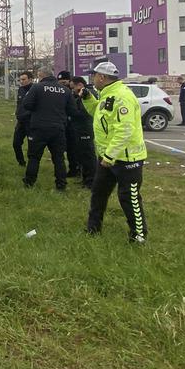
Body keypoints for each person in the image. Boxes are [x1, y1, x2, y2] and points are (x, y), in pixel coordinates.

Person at [81, 61, 149, 243]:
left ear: (102, 77)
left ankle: (139, 235)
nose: (92, 78)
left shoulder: (122, 96)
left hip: (126, 158)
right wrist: (88, 99)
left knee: (129, 197)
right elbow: (100, 114)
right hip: (107, 158)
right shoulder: (107, 95)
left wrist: (110, 156)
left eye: (94, 75)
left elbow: (125, 129)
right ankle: (93, 229)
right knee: (98, 193)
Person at [20, 69, 74, 190]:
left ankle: (29, 182)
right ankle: (61, 184)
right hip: (58, 128)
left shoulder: (37, 88)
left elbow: (27, 104)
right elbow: (72, 109)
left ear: (41, 76)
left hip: (39, 127)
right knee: (59, 158)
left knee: (34, 157)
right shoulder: (65, 90)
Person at [69, 76, 97, 188]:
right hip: (78, 128)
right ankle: (85, 178)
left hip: (85, 128)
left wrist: (72, 112)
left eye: (73, 88)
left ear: (79, 85)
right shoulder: (78, 95)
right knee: (81, 155)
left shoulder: (88, 95)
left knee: (88, 155)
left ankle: (91, 181)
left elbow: (85, 112)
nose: (72, 90)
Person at [57, 70, 80, 178]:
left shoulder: (75, 92)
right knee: (66, 149)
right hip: (63, 124)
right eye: (60, 82)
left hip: (74, 125)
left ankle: (76, 169)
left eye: (64, 82)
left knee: (74, 149)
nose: (63, 85)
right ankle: (72, 169)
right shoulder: (59, 92)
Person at [13, 71, 34, 166]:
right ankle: (21, 162)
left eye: (24, 79)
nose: (21, 81)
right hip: (21, 121)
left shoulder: (35, 90)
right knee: (16, 143)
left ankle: (31, 164)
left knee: (32, 146)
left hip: (31, 122)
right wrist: (18, 113)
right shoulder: (20, 89)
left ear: (30, 79)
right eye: (20, 79)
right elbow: (19, 103)